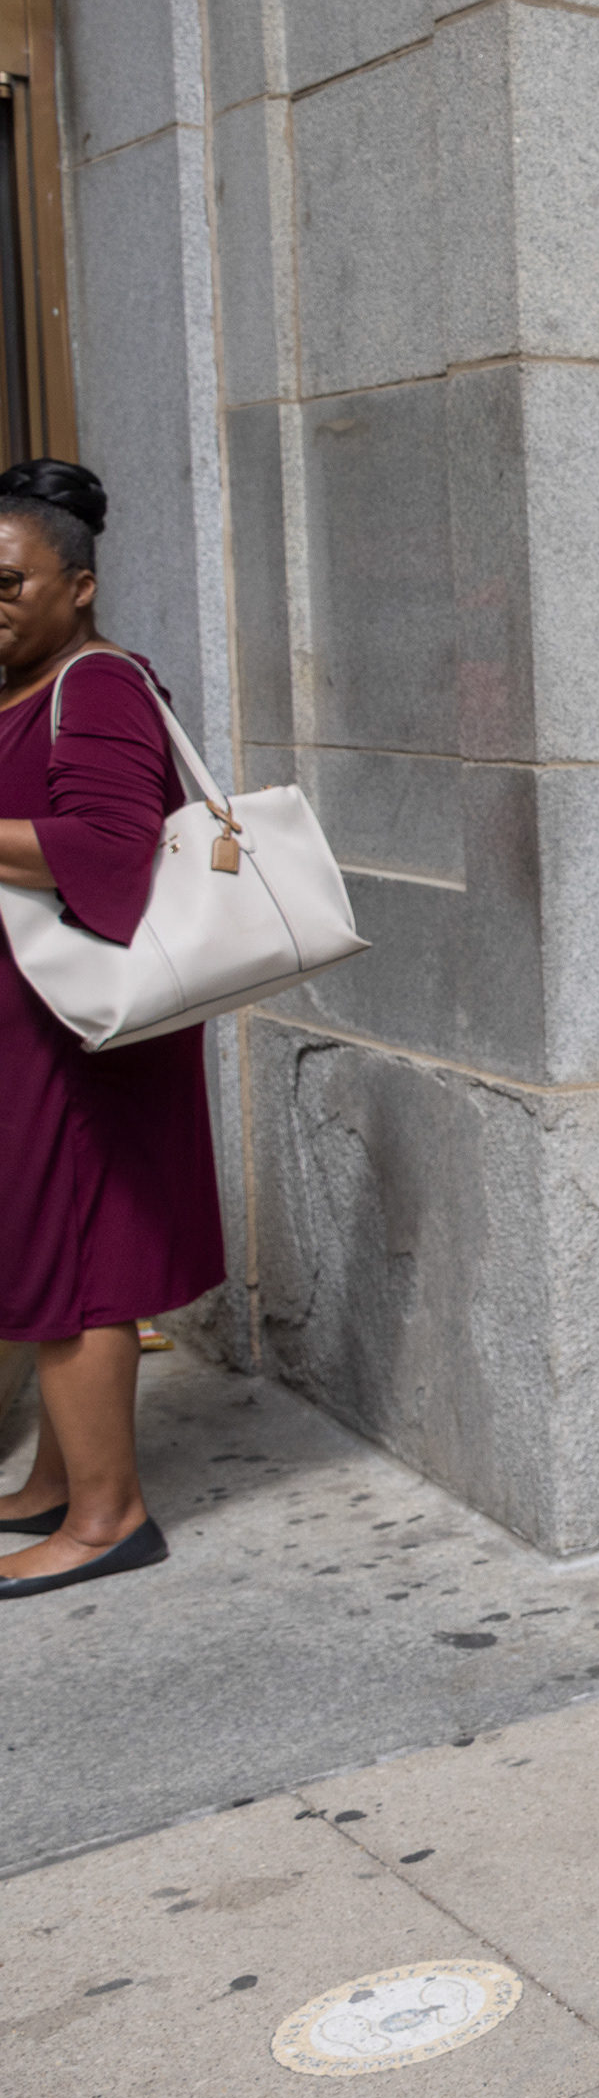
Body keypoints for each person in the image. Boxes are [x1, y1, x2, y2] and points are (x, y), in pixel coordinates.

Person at [0, 460, 224, 1598]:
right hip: (35, 1024)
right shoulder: (28, 687)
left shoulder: (97, 685)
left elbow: (108, 848)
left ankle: (107, 1518)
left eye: (9, 583)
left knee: (77, 1261)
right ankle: (57, 1482)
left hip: (79, 1031)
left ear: (78, 585)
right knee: (54, 1252)